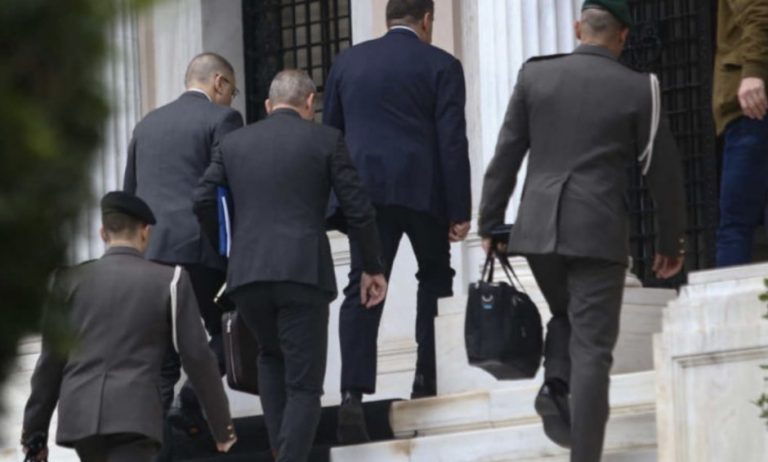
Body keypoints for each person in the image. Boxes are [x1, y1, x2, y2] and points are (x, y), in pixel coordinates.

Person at [478, 2, 686, 461]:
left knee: (566, 314)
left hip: (538, 231)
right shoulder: (640, 88)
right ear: (623, 36)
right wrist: (670, 242)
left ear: (577, 28)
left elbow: (507, 153)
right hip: (596, 231)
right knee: (593, 349)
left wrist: (490, 223)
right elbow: (663, 173)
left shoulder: (535, 75)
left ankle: (555, 385)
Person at [194, 70, 388, 462]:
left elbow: (202, 198)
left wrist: (231, 249)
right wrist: (372, 266)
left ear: (268, 105)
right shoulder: (326, 139)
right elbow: (359, 209)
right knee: (304, 385)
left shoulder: (233, 143)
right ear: (310, 102)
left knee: (269, 356)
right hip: (303, 274)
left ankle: (281, 452)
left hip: (248, 276)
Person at [323, 0, 472, 443]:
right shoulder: (442, 65)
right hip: (425, 193)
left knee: (363, 285)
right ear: (426, 20)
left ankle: (351, 394)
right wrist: (459, 208)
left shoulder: (347, 63)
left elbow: (332, 136)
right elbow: (452, 140)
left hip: (365, 196)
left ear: (389, 19)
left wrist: (337, 201)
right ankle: (427, 379)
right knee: (435, 278)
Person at [21, 191, 236, 462]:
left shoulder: (67, 281)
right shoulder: (170, 280)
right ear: (145, 232)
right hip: (135, 417)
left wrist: (34, 433)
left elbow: (50, 364)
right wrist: (222, 428)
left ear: (103, 233)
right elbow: (198, 358)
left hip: (81, 419)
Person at [123, 52, 244, 434]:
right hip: (200, 250)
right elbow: (231, 187)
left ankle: (157, 444)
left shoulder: (146, 125)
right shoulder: (223, 119)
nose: (232, 99)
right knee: (234, 325)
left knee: (162, 360)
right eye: (233, 91)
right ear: (219, 82)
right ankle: (189, 399)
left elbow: (130, 195)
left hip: (152, 255)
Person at [713, 0, 768, 267]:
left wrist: (754, 71)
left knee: (735, 225)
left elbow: (759, 12)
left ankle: (728, 294)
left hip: (752, 108)